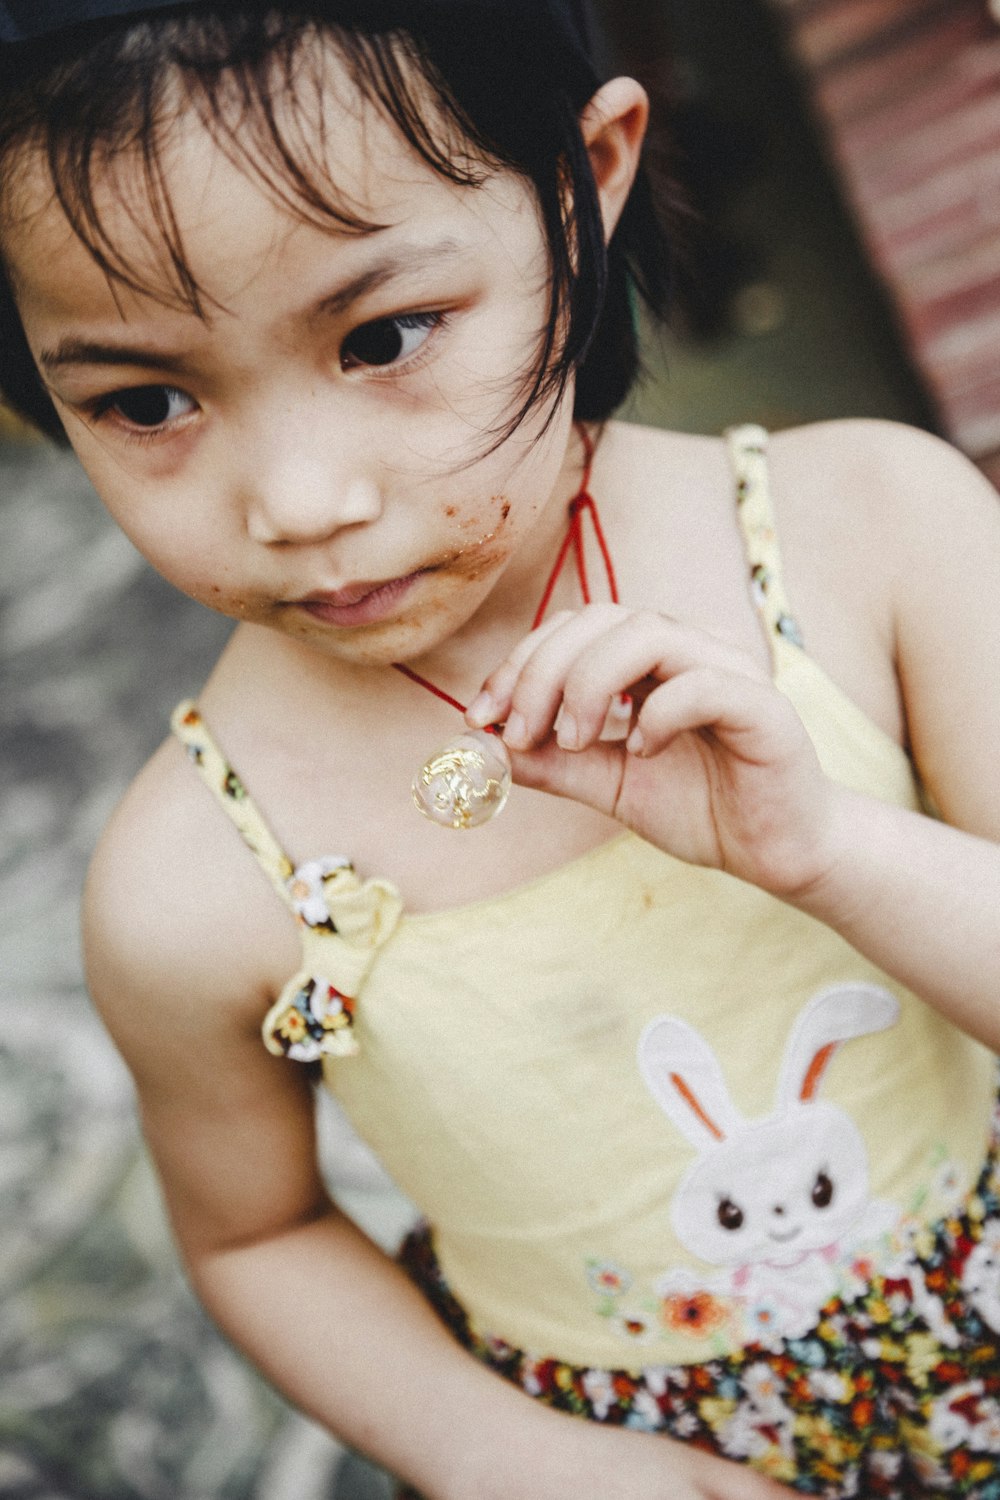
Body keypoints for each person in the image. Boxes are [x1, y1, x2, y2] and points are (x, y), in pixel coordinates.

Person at [2, 2, 999, 1495]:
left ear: (586, 179)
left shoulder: (875, 536)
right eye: (146, 400)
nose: (301, 498)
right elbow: (255, 1232)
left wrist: (829, 850)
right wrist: (511, 1461)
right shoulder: (192, 883)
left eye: (383, 335)